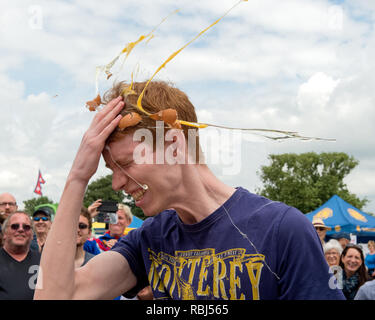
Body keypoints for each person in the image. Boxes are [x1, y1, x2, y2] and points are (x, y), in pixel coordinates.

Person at [35, 80, 345, 300]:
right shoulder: (151, 238)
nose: (117, 184)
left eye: (125, 163)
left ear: (172, 142)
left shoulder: (281, 229)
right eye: (110, 170)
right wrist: (78, 177)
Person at [0, 211, 40, 299]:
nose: (21, 229)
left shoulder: (43, 261)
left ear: (32, 235)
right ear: (4, 233)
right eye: (15, 226)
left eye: (26, 227)